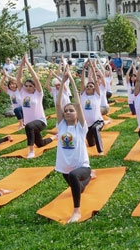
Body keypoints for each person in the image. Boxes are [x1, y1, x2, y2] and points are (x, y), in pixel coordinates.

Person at [53, 66, 94, 224]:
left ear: (77, 113)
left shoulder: (81, 127)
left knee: (74, 177)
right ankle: (89, 178)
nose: (68, 112)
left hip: (81, 165)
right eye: (66, 111)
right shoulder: (61, 126)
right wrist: (62, 82)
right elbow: (58, 104)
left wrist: (71, 81)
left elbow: (77, 102)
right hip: (65, 166)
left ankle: (76, 211)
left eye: (71, 110)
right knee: (79, 187)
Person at [16, 55, 54, 158]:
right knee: (40, 143)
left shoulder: (38, 94)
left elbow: (36, 78)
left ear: (34, 87)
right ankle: (54, 137)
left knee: (29, 126)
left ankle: (31, 151)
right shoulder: (23, 93)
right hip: (30, 124)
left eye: (30, 86)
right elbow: (18, 78)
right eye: (26, 85)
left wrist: (28, 64)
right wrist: (21, 65)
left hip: (40, 121)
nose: (28, 87)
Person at [80, 59, 110, 155]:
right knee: (90, 143)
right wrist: (84, 68)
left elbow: (96, 82)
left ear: (94, 89)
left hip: (97, 122)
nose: (88, 87)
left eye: (91, 86)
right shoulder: (83, 96)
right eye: (88, 86)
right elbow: (82, 82)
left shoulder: (96, 96)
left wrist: (93, 68)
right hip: (87, 125)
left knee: (95, 129)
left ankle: (100, 151)